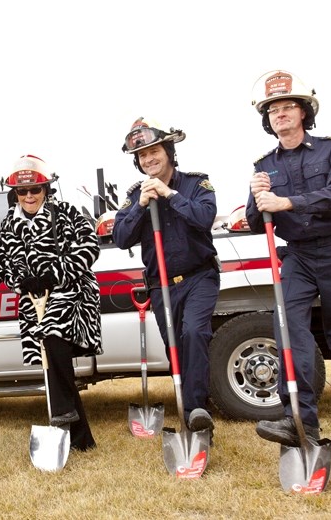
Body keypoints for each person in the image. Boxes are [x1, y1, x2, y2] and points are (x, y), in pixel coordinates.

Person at [246, 70, 331, 468]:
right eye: (273, 110)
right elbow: (254, 219)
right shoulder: (263, 164)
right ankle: (300, 422)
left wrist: (287, 203)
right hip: (296, 256)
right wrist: (257, 197)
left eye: (287, 107)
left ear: (304, 112)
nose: (279, 114)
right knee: (289, 332)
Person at [112, 117, 219, 435]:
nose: (149, 159)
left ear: (169, 151)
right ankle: (193, 411)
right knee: (176, 349)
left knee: (195, 333)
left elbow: (204, 217)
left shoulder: (196, 184)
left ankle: (197, 412)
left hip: (199, 276)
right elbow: (121, 238)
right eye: (142, 156)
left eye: (154, 151)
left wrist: (170, 195)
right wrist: (141, 206)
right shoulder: (135, 194)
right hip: (160, 286)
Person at [0, 155, 102, 451]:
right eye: (22, 191)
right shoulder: (8, 226)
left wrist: (52, 276)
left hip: (72, 294)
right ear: (14, 194)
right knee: (54, 361)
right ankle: (81, 437)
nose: (29, 196)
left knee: (53, 336)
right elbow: (2, 264)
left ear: (46, 189)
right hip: (34, 301)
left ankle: (63, 414)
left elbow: (90, 246)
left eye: (36, 190)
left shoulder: (65, 212)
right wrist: (21, 282)